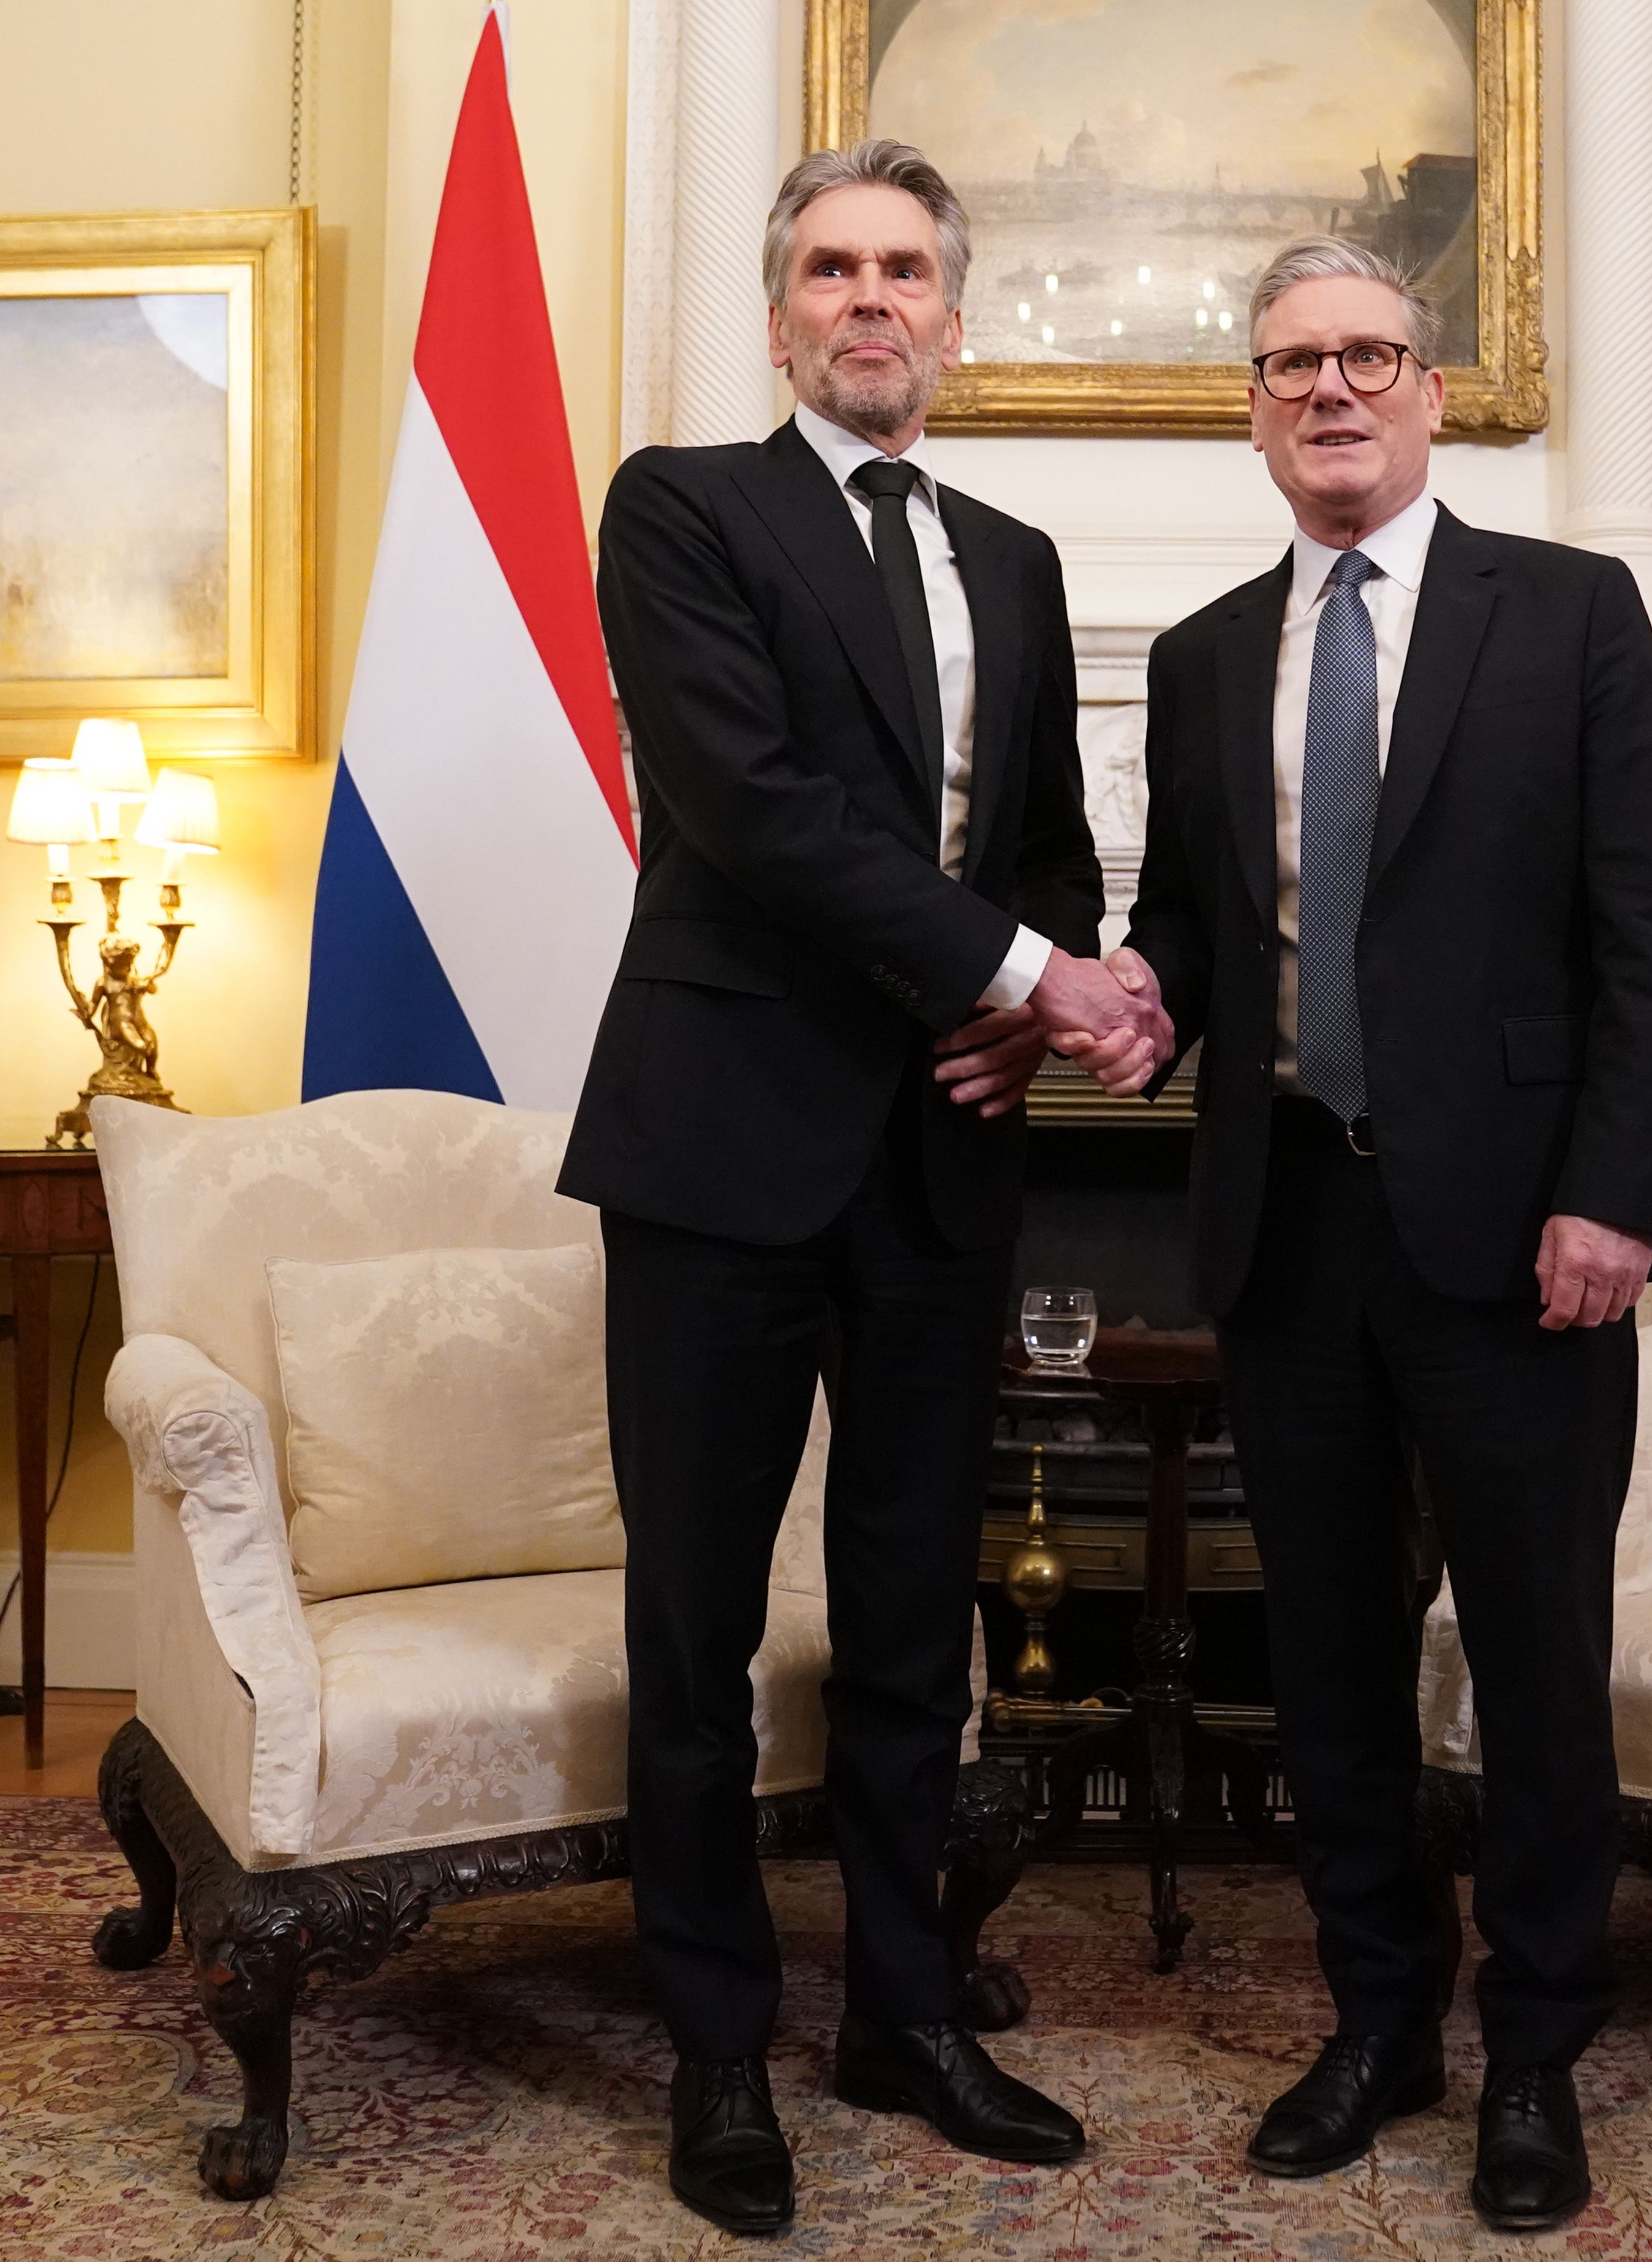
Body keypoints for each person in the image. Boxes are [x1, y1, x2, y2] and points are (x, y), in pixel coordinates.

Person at [561, 139, 1172, 2239]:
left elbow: (1048, 859)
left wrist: (1025, 1008)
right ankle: (718, 2047)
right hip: (720, 1154)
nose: (870, 301)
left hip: (941, 1157)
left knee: (916, 1625)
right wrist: (1024, 974)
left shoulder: (1010, 553)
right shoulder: (681, 508)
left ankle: (903, 2017)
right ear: (779, 312)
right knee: (697, 1634)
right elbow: (753, 811)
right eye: (832, 268)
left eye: (906, 269)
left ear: (956, 311)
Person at [1117, 235, 1652, 2232]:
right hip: (1286, 1228)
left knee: (1539, 1664)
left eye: (1369, 356)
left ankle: (1536, 2056)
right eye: (1292, 367)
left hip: (1527, 1235)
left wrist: (1615, 1193)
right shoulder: (1199, 658)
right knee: (1333, 1669)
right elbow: (1199, 935)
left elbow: (1645, 940)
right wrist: (1113, 996)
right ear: (1255, 408)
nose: (1332, 392)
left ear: (1431, 391)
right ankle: (1381, 2025)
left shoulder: (1571, 613)